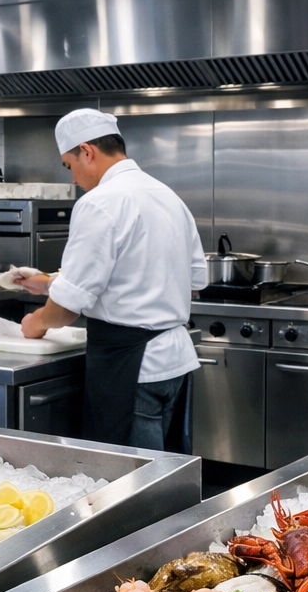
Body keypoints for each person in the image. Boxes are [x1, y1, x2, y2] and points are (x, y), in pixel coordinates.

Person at [17, 108, 209, 450]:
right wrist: (47, 283)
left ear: (87, 151)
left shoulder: (99, 202)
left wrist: (37, 322)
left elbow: (66, 309)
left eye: (69, 165)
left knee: (133, 476)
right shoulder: (167, 196)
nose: (72, 178)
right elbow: (191, 280)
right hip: (175, 362)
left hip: (131, 368)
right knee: (168, 472)